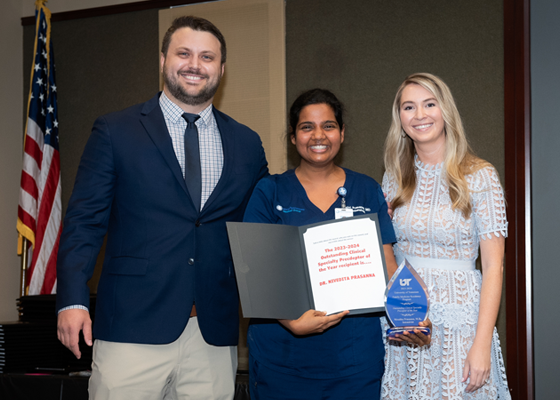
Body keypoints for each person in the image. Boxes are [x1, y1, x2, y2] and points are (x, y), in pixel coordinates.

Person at [55, 16, 268, 399]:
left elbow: (263, 225)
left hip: (213, 333)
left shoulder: (246, 142)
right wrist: (71, 299)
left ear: (222, 68)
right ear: (163, 59)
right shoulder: (115, 131)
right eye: (183, 53)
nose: (194, 65)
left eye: (207, 57)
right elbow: (84, 223)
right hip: (131, 329)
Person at [243, 89, 430, 400]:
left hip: (353, 362)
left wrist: (410, 316)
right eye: (307, 127)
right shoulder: (269, 192)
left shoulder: (366, 189)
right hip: (282, 359)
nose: (319, 135)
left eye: (328, 126)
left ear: (342, 134)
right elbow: (254, 271)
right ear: (293, 137)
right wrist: (292, 322)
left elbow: (387, 263)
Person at [379, 72, 511, 399]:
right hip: (408, 320)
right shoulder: (393, 179)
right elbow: (386, 251)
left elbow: (494, 268)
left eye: (429, 104)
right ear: (400, 118)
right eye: (409, 107)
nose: (420, 115)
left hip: (461, 323)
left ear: (445, 111)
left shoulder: (480, 176)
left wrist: (481, 344)